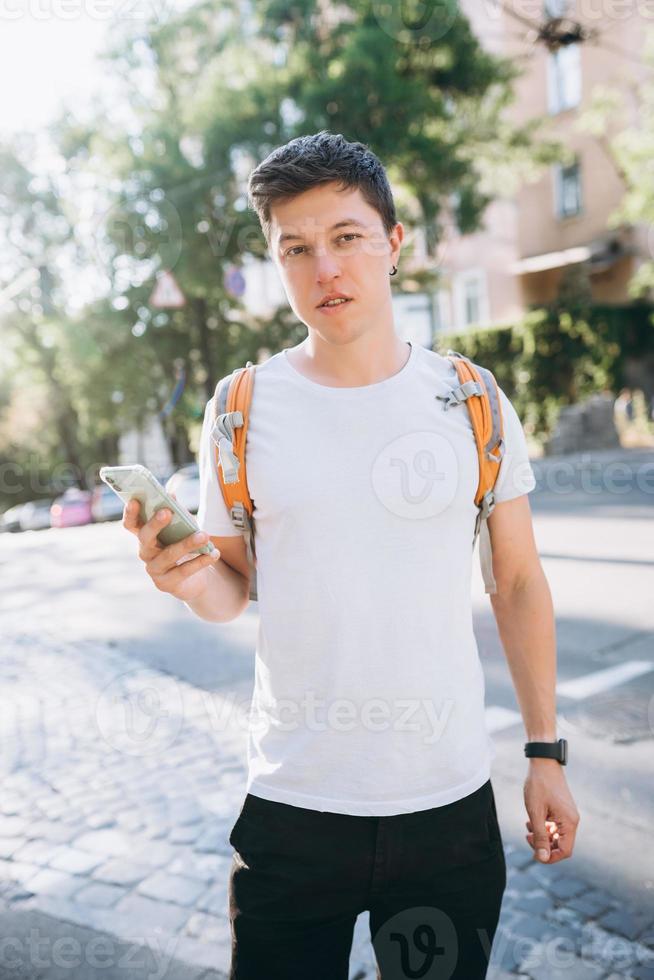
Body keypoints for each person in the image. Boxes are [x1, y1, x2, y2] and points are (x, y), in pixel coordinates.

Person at [123, 132, 580, 980]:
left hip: (446, 808)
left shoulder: (472, 398)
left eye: (346, 237)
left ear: (394, 244)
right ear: (275, 261)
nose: (323, 269)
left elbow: (516, 582)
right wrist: (185, 577)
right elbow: (232, 588)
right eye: (295, 249)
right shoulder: (241, 407)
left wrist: (545, 754)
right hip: (294, 809)